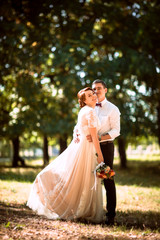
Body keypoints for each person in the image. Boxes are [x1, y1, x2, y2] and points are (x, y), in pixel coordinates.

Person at [27, 87, 104, 223]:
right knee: (80, 179)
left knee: (79, 179)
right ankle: (74, 208)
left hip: (81, 147)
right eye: (89, 95)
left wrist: (76, 134)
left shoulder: (83, 111)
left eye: (93, 94)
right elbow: (94, 136)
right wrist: (100, 154)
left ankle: (79, 209)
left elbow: (77, 128)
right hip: (86, 149)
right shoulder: (90, 112)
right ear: (84, 101)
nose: (93, 96)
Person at [90, 79, 120, 225]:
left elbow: (116, 131)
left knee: (108, 179)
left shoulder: (113, 109)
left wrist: (99, 138)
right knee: (89, 179)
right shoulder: (89, 107)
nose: (96, 91)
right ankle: (90, 211)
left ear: (105, 90)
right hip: (89, 148)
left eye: (99, 88)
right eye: (94, 89)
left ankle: (111, 215)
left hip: (106, 147)